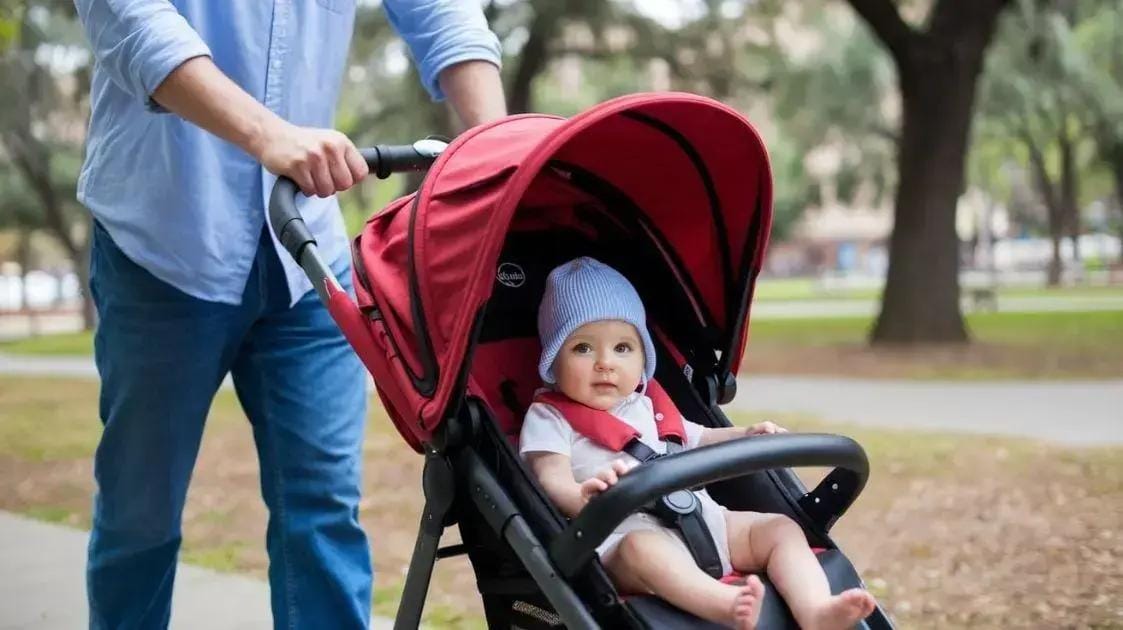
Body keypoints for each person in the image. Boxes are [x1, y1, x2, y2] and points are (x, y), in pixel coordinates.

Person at [74, 1, 507, 628]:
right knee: (138, 518)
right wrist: (267, 134)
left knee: (324, 513)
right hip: (163, 246)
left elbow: (441, 12)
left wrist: (502, 150)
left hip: (305, 259)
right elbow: (132, 20)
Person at [520, 257, 877, 629]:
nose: (605, 363)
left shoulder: (647, 405)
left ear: (644, 358)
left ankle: (816, 609)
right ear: (552, 361)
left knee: (780, 529)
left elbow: (699, 439)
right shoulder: (549, 416)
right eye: (583, 348)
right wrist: (581, 498)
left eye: (623, 348)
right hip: (619, 535)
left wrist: (745, 435)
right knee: (643, 550)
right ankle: (724, 603)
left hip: (703, 521)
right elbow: (549, 476)